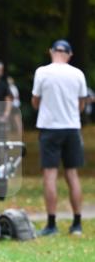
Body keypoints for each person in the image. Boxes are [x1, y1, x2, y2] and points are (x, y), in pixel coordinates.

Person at [32, 39, 88, 237]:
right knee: (72, 174)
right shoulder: (78, 74)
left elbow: (35, 101)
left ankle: (51, 224)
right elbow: (82, 103)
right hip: (72, 128)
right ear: (69, 55)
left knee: (50, 175)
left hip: (50, 128)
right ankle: (77, 223)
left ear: (51, 51)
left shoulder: (42, 72)